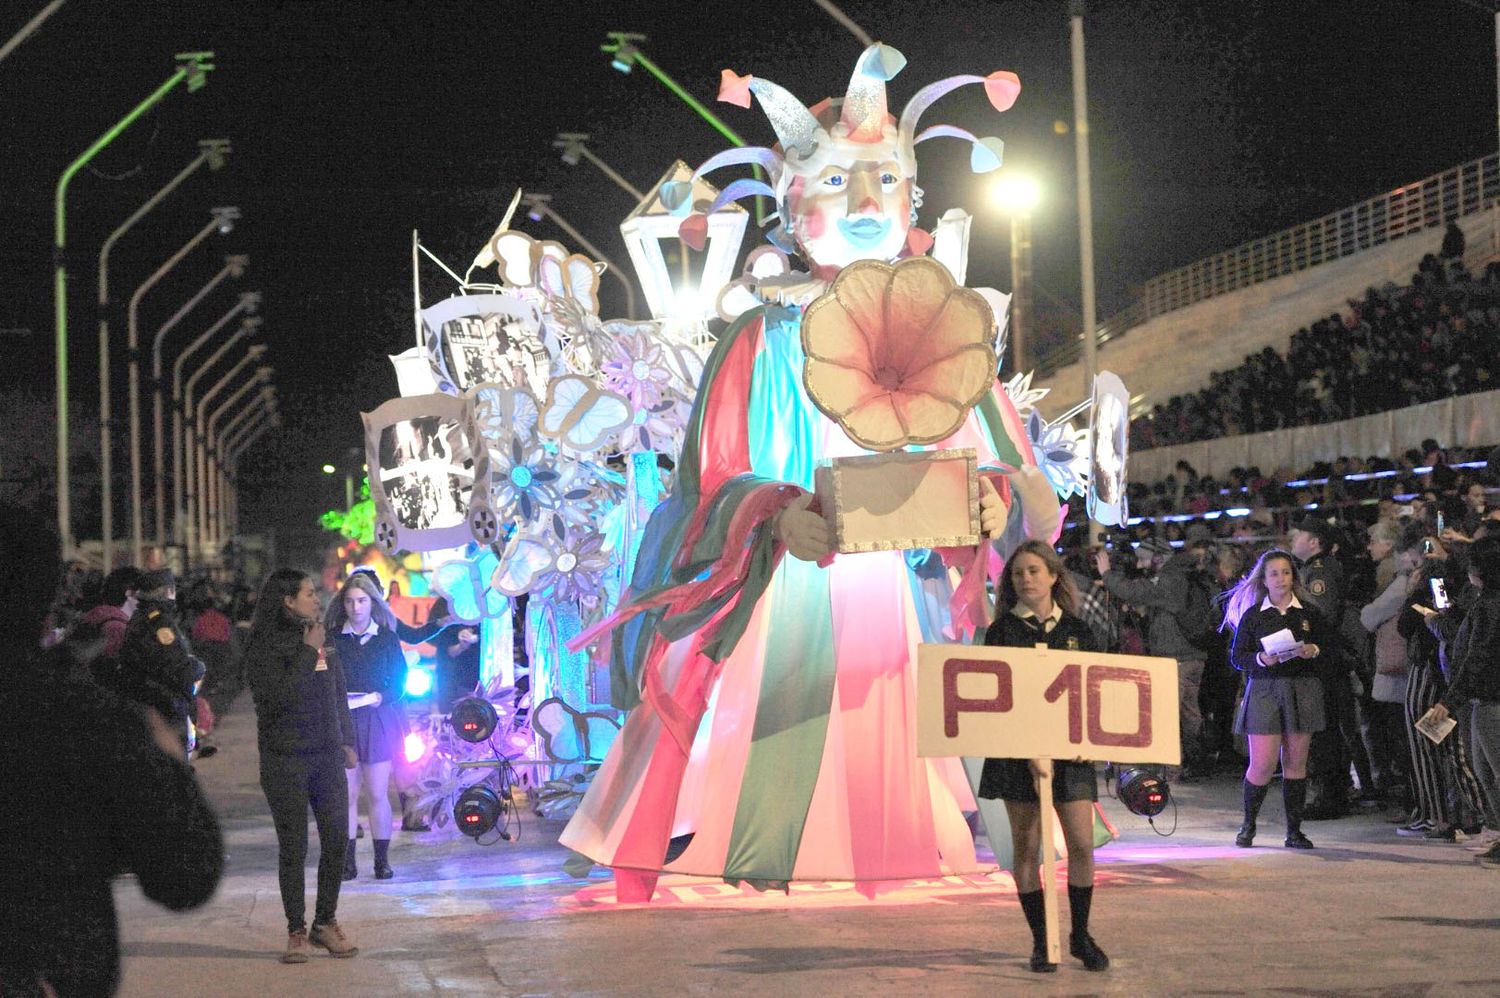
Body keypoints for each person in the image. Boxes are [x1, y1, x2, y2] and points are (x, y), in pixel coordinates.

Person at [560, 43, 1062, 902]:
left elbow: (1019, 475)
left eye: (885, 181)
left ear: (914, 197)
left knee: (904, 719)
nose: (867, 203)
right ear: (791, 209)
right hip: (786, 592)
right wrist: (771, 514)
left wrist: (995, 501)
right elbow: (706, 480)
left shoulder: (949, 329)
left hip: (904, 601)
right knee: (779, 719)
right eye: (836, 182)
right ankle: (755, 843)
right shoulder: (761, 337)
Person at [0, 512, 222, 997]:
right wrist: (165, 757)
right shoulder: (79, 713)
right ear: (48, 596)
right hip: (51, 969)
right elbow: (185, 874)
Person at [978, 540, 1109, 974]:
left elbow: (1094, 691)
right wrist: (1029, 750)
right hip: (1017, 758)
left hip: (1071, 756)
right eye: (1018, 574)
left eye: (1034, 570)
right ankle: (1041, 941)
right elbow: (996, 701)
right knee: (1027, 849)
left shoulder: (1077, 630)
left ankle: (1081, 935)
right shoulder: (1001, 633)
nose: (1026, 579)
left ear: (1053, 575)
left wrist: (1090, 740)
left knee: (1082, 846)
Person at [245, 569, 360, 962]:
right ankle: (295, 930)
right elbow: (276, 698)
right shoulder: (264, 645)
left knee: (337, 841)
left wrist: (348, 739)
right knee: (294, 847)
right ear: (287, 601)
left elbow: (337, 690)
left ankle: (325, 922)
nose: (317, 598)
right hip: (285, 758)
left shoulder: (321, 635)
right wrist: (309, 652)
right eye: (309, 593)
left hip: (327, 754)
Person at [1223, 549, 1332, 849]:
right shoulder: (1254, 615)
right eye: (1274, 573)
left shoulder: (1309, 613)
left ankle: (1294, 832)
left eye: (1286, 572)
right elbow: (1237, 656)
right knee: (1262, 764)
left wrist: (1314, 650)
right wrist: (1260, 658)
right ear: (1264, 580)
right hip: (1265, 690)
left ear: (1293, 577)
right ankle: (1248, 826)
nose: (1281, 579)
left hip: (1303, 688)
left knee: (1296, 762)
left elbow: (1329, 648)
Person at [1095, 537, 1210, 778]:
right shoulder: (1183, 574)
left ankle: (1172, 769)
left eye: (1144, 559)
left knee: (1167, 714)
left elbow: (1133, 591)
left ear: (1159, 558)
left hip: (1176, 658)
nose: (1139, 565)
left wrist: (1107, 574)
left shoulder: (1170, 578)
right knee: (1190, 713)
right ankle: (1196, 761)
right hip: (1191, 656)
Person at [1421, 536, 1500, 866]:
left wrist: (1449, 700)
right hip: (1479, 698)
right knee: (1485, 773)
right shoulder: (1483, 600)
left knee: (1491, 771)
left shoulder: (1489, 606)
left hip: (1488, 699)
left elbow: (1476, 656)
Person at [326, 571, 407, 881]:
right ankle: (347, 862)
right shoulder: (333, 638)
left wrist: (381, 696)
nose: (355, 607)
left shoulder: (386, 638)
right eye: (349, 601)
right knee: (346, 794)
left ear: (373, 603)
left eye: (361, 601)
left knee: (376, 793)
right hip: (342, 720)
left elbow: (400, 679)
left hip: (376, 717)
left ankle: (381, 861)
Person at [1288, 517, 1361, 818]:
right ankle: (1331, 793)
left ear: (1314, 542)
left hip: (1323, 662)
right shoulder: (1313, 569)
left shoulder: (1320, 572)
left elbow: (1320, 618)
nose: (1293, 539)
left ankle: (1331, 798)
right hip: (1322, 661)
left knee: (1326, 730)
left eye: (1299, 535)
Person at [116, 569, 204, 758]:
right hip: (165, 703)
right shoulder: (160, 623)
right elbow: (173, 664)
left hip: (150, 700)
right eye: (172, 590)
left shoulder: (141, 618)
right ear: (166, 591)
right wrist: (197, 668)